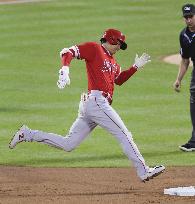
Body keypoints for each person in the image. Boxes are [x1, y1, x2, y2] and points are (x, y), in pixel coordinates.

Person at [9, 28, 165, 181]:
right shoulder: (94, 49)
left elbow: (119, 80)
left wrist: (135, 67)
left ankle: (28, 133)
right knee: (124, 134)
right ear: (111, 40)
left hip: (93, 105)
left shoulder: (113, 62)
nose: (119, 47)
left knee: (69, 144)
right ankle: (144, 171)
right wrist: (65, 69)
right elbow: (67, 51)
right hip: (96, 102)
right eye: (119, 44)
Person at [173, 4, 195, 152]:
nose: (188, 20)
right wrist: (178, 79)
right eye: (186, 17)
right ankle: (194, 141)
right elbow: (185, 60)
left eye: (191, 17)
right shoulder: (184, 35)